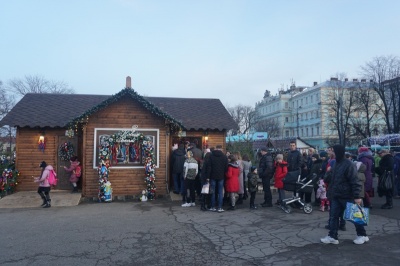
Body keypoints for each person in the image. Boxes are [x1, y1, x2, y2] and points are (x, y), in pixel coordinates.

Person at [320, 144, 368, 245]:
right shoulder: (335, 164)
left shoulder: (348, 164)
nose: (331, 153)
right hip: (336, 195)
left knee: (355, 216)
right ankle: (332, 236)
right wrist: (328, 172)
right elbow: (328, 179)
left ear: (338, 152)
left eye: (333, 151)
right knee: (333, 216)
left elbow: (355, 181)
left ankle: (362, 235)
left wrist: (357, 196)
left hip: (347, 195)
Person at [207, 144, 228, 213]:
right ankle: (220, 207)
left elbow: (209, 167)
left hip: (213, 176)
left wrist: (208, 177)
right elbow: (226, 168)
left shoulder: (211, 156)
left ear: (216, 148)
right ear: (221, 149)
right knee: (220, 192)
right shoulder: (224, 157)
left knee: (212, 192)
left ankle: (213, 206)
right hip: (221, 176)